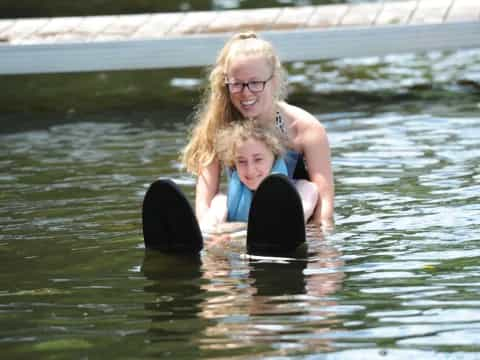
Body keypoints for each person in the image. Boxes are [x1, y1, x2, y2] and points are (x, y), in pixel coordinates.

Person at [181, 31, 334, 229]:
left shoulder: (306, 130)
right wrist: (211, 244)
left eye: (255, 83)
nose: (246, 93)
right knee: (218, 204)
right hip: (235, 232)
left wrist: (321, 253)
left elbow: (325, 211)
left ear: (274, 80)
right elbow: (204, 202)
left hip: (293, 232)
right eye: (237, 84)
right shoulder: (218, 127)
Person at [200, 120, 318, 230]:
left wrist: (234, 228)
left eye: (258, 159)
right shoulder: (222, 200)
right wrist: (213, 227)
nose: (250, 170)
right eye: (241, 161)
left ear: (275, 157)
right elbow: (209, 226)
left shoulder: (304, 190)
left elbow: (293, 221)